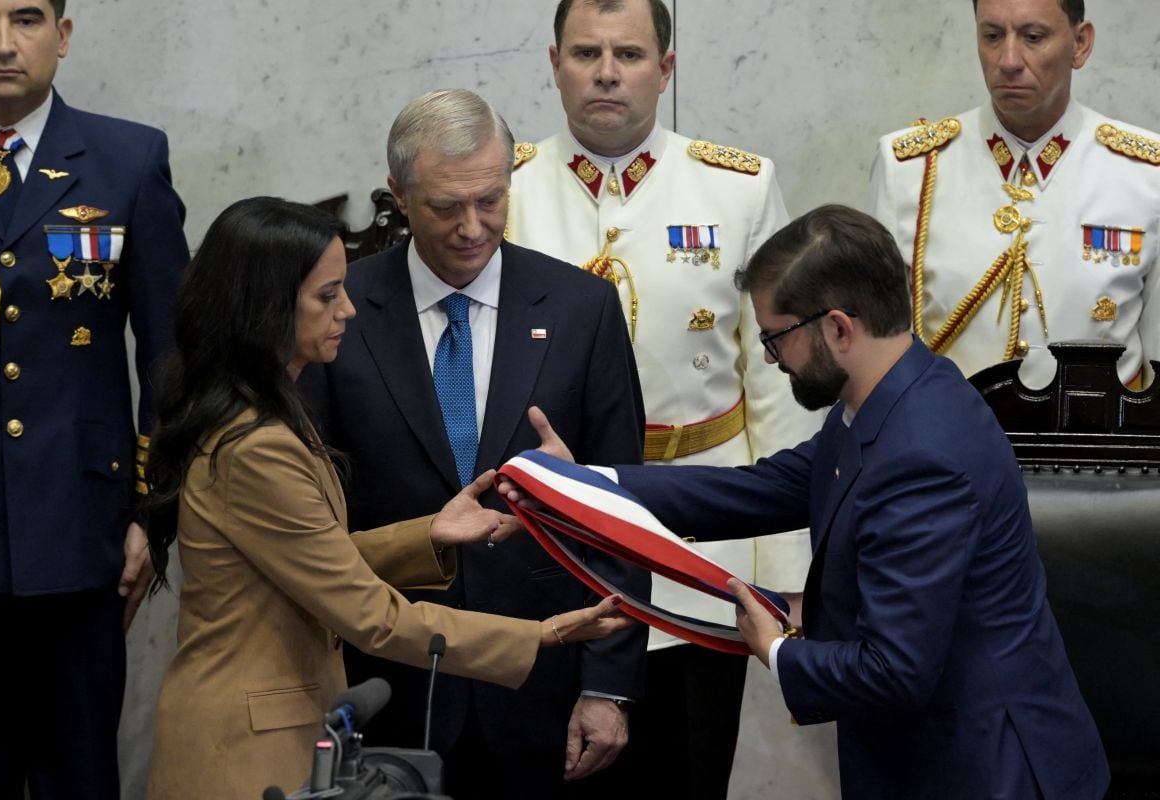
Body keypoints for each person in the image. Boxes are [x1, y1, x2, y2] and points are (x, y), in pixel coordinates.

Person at [506, 204, 1111, 798]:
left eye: (776, 338)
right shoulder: (894, 393)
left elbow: (893, 672)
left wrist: (774, 648)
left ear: (839, 328)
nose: (769, 358)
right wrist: (585, 483)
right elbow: (767, 488)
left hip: (983, 766)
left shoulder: (923, 454)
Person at [141, 196, 632, 800]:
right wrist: (541, 635)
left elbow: (311, 560)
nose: (347, 309)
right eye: (326, 296)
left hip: (276, 729)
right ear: (265, 307)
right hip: (244, 747)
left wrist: (427, 535)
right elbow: (373, 618)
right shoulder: (257, 445)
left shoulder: (264, 419)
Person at [505, 1, 824, 795]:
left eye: (629, 54)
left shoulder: (739, 188)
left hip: (699, 539)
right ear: (553, 64)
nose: (607, 72)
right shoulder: (503, 190)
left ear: (667, 68)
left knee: (687, 768)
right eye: (585, 53)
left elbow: (777, 383)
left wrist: (788, 566)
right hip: (547, 531)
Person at [300, 88, 648, 800]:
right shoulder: (339, 312)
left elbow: (624, 515)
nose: (471, 227)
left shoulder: (582, 310)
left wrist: (609, 688)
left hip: (544, 683)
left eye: (491, 200)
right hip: (386, 683)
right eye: (444, 206)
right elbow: (315, 518)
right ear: (398, 193)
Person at [0, 0, 188, 797]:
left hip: (82, 538)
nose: (1, 43)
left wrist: (151, 515)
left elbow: (171, 356)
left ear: (61, 35)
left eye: (25, 19)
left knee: (79, 775)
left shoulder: (127, 161)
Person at [870, 0, 1159, 389]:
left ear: (1080, 43)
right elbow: (876, 353)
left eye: (1033, 37)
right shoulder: (909, 168)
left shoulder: (1145, 173)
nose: (1008, 60)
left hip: (1093, 442)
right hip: (948, 441)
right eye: (992, 36)